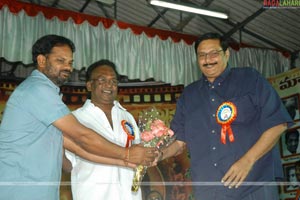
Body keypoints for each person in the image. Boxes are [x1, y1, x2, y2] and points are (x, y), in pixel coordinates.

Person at [0, 35, 157, 200]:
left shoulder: (51, 101)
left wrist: (125, 162)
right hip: (20, 190)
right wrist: (126, 154)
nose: (67, 67)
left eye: (70, 62)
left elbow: (81, 150)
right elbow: (83, 137)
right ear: (41, 60)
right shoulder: (37, 90)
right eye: (60, 60)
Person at [160, 32, 293, 199]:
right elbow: (179, 141)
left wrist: (247, 161)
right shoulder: (189, 95)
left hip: (253, 183)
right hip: (210, 191)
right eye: (202, 55)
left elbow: (277, 123)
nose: (208, 60)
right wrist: (157, 155)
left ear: (227, 53)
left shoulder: (250, 78)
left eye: (214, 53)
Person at [65, 59, 142, 200]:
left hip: (129, 195)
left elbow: (139, 156)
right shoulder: (75, 119)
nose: (109, 85)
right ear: (89, 85)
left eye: (113, 81)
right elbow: (68, 165)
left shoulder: (127, 117)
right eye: (102, 80)